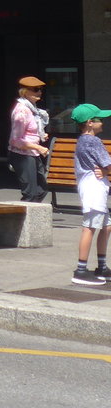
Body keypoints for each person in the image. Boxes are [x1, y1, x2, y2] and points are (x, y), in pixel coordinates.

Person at [70, 102, 111, 286]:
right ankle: (81, 270)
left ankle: (102, 266)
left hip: (93, 188)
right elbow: (107, 164)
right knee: (90, 227)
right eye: (99, 119)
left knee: (106, 226)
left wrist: (106, 171)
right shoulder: (92, 141)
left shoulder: (82, 140)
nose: (102, 122)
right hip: (94, 189)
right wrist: (107, 171)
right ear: (89, 122)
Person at [8, 76, 50, 203]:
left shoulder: (33, 109)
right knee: (30, 193)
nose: (39, 92)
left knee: (41, 189)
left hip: (32, 153)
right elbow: (15, 140)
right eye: (36, 89)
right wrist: (39, 147)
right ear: (25, 92)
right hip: (22, 155)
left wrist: (41, 136)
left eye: (40, 89)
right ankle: (21, 220)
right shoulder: (21, 111)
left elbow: (31, 130)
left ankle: (32, 218)